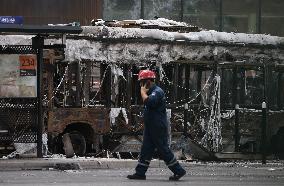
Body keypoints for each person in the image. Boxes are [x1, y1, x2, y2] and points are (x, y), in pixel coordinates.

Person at [127, 69, 186, 181]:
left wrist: (143, 92)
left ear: (147, 81)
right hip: (151, 127)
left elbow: (149, 102)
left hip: (157, 126)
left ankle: (179, 171)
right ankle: (140, 173)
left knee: (163, 150)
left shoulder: (157, 91)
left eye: (142, 82)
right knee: (146, 149)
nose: (140, 85)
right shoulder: (151, 92)